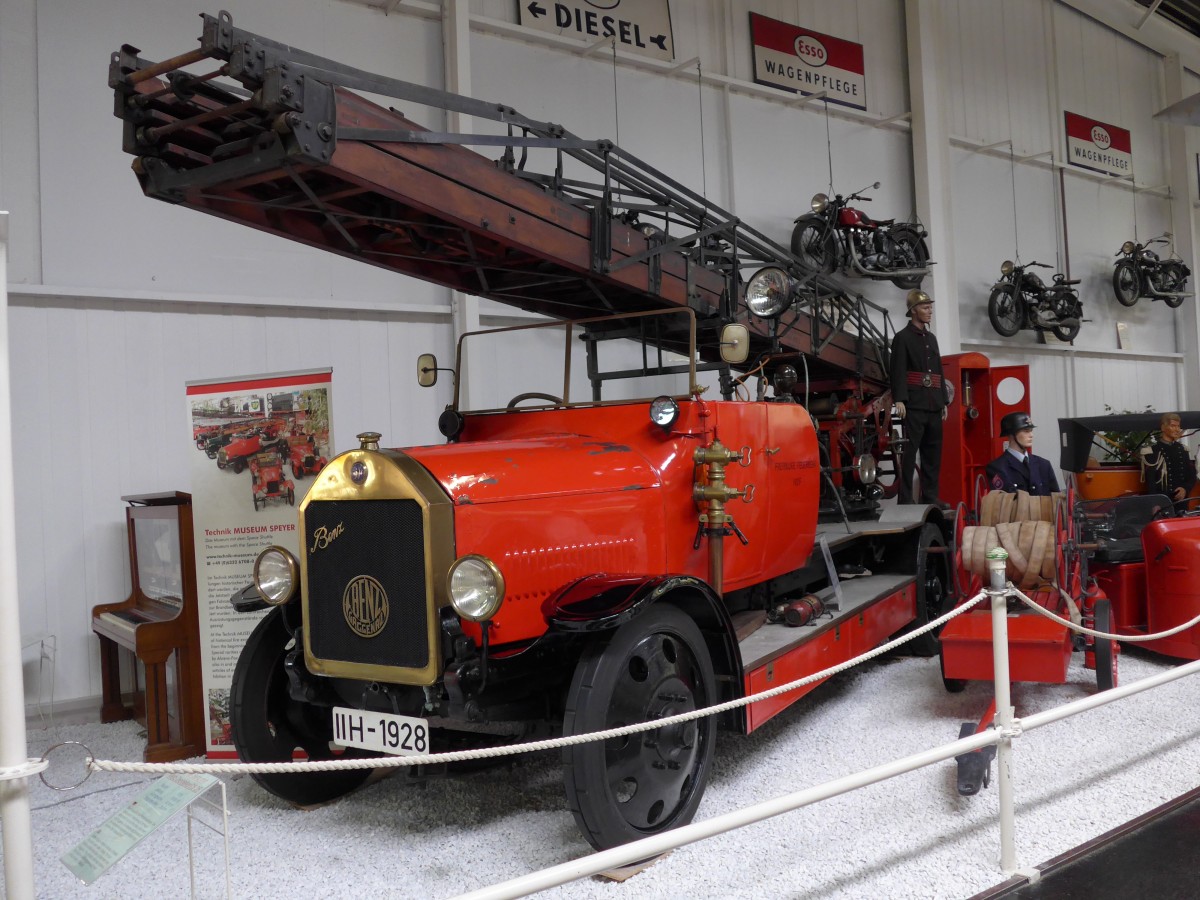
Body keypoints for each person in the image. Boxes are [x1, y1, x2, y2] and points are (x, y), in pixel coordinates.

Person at [890, 289, 948, 505]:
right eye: (925, 307)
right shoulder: (902, 338)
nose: (930, 311)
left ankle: (930, 497)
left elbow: (938, 370)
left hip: (934, 403)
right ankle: (906, 499)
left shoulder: (931, 338)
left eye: (930, 307)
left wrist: (943, 400)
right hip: (914, 404)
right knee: (909, 454)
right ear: (913, 311)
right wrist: (899, 399)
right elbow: (897, 369)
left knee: (932, 455)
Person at [986, 411, 1059, 495]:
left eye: (1031, 430)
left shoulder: (1044, 464)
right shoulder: (997, 467)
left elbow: (1056, 501)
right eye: (1026, 431)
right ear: (1011, 434)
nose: (1031, 435)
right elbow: (1005, 503)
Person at [1142, 412, 1196, 503]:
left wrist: (1185, 489)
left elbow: (1191, 475)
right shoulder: (1152, 451)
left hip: (1181, 501)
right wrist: (1155, 504)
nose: (1177, 429)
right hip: (1162, 501)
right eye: (1173, 426)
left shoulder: (1183, 450)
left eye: (1178, 426)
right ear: (1163, 427)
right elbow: (1151, 481)